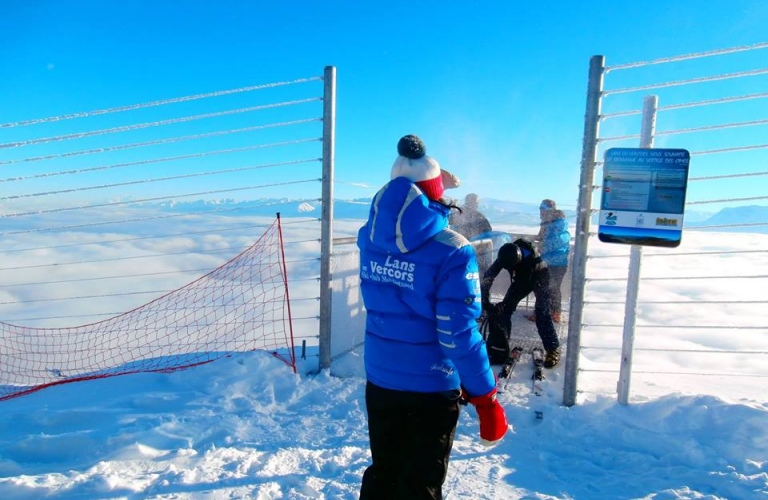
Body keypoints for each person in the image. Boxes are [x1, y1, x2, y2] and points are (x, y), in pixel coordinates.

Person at [357, 134, 508, 500]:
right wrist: (486, 399)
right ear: (433, 192)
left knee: (385, 473)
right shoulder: (453, 250)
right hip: (430, 387)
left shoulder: (370, 238)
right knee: (420, 484)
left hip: (380, 379)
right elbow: (457, 332)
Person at [480, 239, 561, 369]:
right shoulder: (507, 254)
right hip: (521, 278)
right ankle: (502, 343)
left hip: (540, 276)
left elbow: (527, 281)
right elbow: (488, 277)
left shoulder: (533, 259)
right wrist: (485, 302)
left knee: (542, 312)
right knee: (504, 310)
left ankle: (553, 349)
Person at [529, 199, 571, 324]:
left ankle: (547, 313)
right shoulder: (548, 223)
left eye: (542, 209)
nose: (540, 212)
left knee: (547, 288)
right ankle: (551, 313)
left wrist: (541, 246)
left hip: (556, 263)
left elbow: (553, 242)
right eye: (540, 209)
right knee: (548, 288)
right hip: (550, 261)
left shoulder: (557, 224)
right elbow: (541, 239)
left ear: (549, 210)